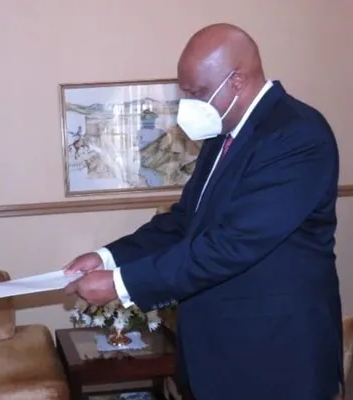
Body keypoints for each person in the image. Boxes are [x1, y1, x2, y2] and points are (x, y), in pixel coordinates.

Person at [64, 23, 342, 400]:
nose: (189, 104)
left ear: (237, 81)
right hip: (220, 353)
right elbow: (185, 221)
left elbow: (232, 244)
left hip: (276, 357)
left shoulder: (296, 135)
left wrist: (121, 284)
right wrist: (108, 257)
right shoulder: (223, 137)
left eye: (197, 92)